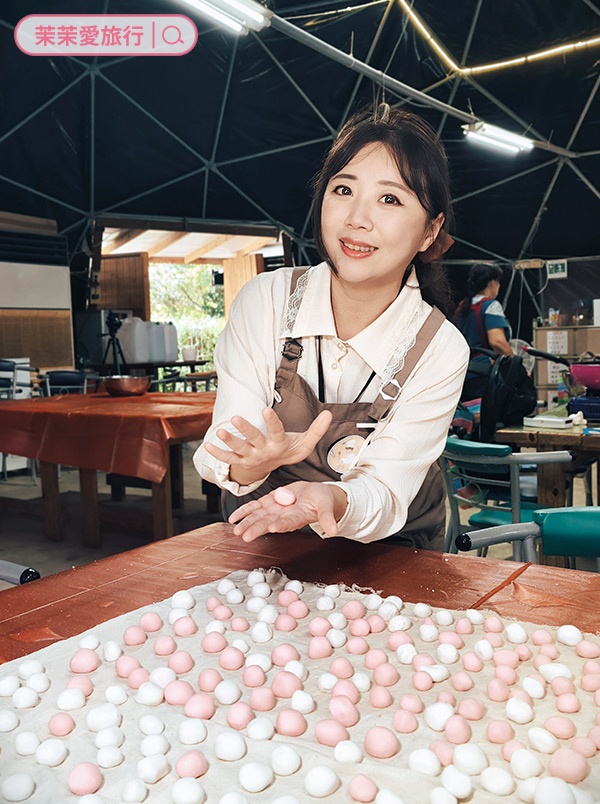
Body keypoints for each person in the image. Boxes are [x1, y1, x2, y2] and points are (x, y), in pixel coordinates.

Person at [194, 104, 469, 549]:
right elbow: (229, 442)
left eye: (390, 198)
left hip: (392, 551)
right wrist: (251, 464)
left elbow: (386, 487)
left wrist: (330, 499)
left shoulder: (441, 349)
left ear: (429, 231)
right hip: (263, 535)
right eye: (343, 189)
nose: (357, 218)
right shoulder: (266, 301)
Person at [455, 263, 514, 401]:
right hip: (484, 373)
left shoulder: (462, 306)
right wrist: (515, 364)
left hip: (462, 371)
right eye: (498, 283)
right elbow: (497, 342)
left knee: (468, 416)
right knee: (485, 416)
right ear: (492, 283)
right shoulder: (491, 305)